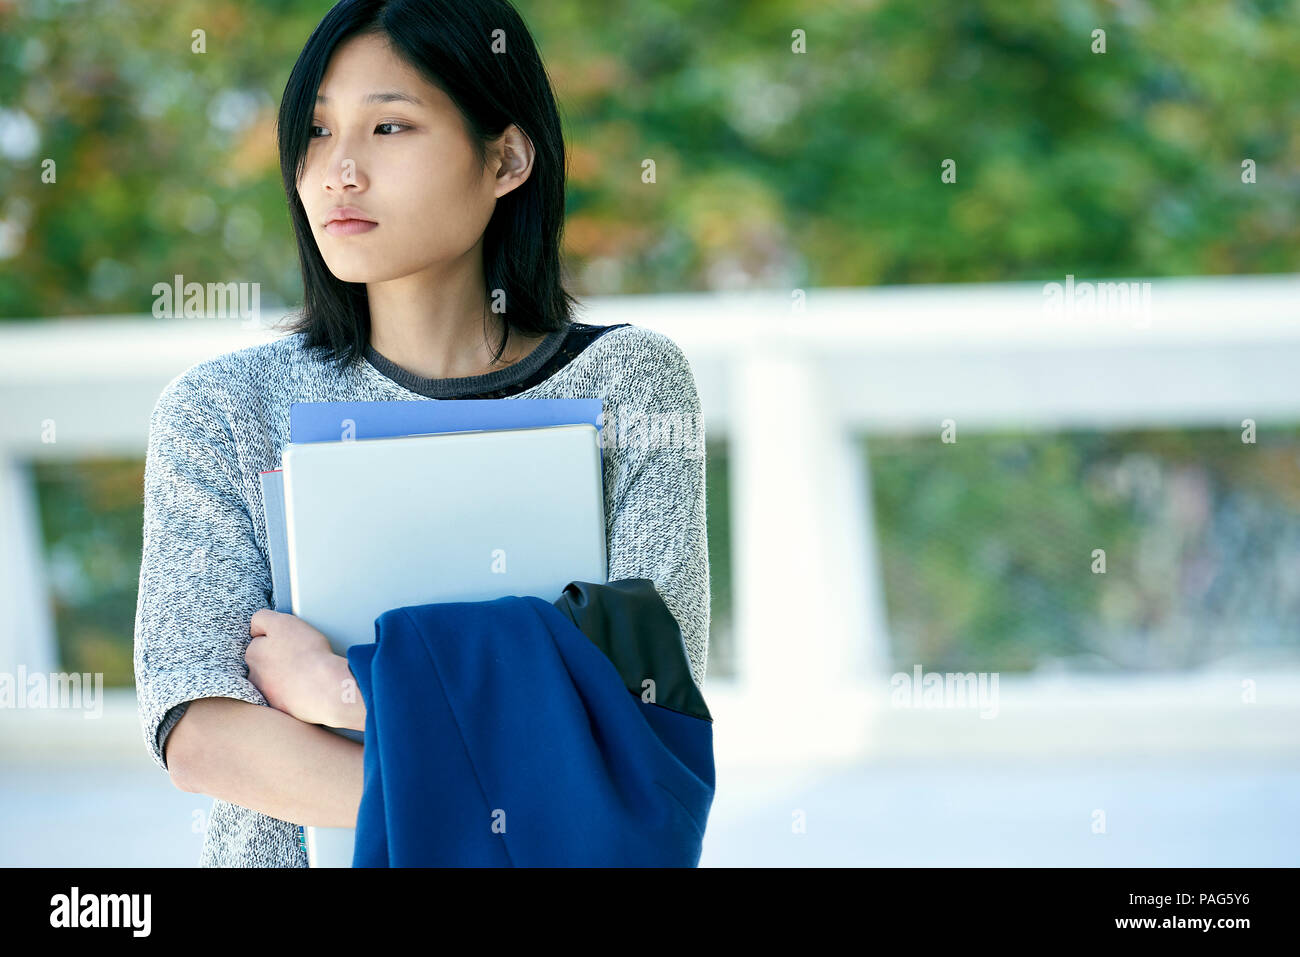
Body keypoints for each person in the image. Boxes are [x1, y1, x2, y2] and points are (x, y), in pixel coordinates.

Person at [132, 0, 709, 867]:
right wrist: (517, 788)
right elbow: (200, 735)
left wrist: (343, 688)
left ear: (507, 158)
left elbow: (648, 704)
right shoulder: (222, 409)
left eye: (389, 126)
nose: (340, 171)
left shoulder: (629, 385)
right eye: (317, 133)